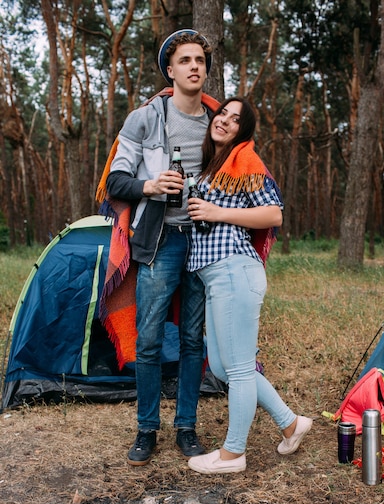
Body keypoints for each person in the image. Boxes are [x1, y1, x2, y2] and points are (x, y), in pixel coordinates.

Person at [105, 30, 219, 466]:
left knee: (193, 339)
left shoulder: (217, 122)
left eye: (200, 61)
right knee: (149, 339)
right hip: (160, 242)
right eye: (184, 60)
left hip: (204, 241)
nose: (194, 66)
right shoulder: (144, 119)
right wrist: (151, 185)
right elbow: (116, 180)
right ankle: (146, 429)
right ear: (170, 71)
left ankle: (186, 428)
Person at [185, 97, 313, 474]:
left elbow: (274, 214)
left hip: (234, 271)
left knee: (238, 370)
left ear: (244, 130)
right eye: (222, 112)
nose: (224, 120)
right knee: (225, 370)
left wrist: (216, 211)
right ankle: (291, 423)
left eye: (235, 119)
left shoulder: (247, 160)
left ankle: (233, 454)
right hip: (216, 275)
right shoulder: (215, 165)